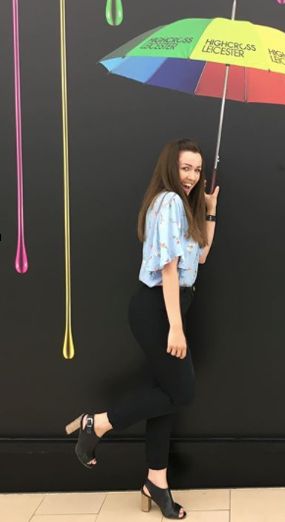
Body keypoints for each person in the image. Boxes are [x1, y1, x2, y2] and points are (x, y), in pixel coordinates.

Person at [64, 138, 219, 520]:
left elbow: (200, 255)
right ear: (170, 166)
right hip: (158, 309)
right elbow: (168, 268)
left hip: (170, 305)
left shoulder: (184, 207)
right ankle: (96, 424)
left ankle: (156, 481)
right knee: (182, 392)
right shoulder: (167, 201)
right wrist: (176, 327)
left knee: (165, 394)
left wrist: (211, 212)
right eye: (186, 167)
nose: (192, 176)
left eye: (197, 169)